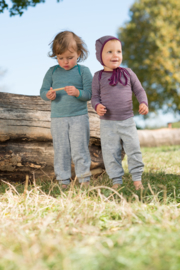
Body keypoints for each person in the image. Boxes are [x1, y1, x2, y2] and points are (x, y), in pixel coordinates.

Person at [91, 35, 148, 190]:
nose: (115, 55)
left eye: (118, 51)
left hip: (127, 120)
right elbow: (94, 97)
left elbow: (139, 90)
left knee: (133, 149)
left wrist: (143, 102)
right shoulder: (98, 76)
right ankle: (116, 181)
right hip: (107, 123)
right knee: (110, 153)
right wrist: (97, 106)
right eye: (109, 52)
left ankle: (137, 180)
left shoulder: (128, 73)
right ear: (100, 56)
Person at [40, 31, 92, 189]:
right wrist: (48, 95)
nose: (65, 62)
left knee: (80, 149)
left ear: (79, 53)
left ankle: (84, 180)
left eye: (70, 57)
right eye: (60, 57)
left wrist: (78, 93)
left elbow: (89, 94)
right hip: (58, 119)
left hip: (79, 117)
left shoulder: (83, 71)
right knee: (61, 150)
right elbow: (42, 92)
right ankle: (63, 182)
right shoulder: (52, 71)